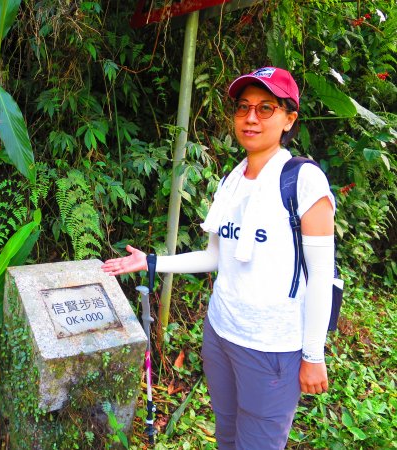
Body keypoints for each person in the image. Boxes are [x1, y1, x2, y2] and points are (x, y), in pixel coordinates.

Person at [102, 67, 335, 450]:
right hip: (221, 334)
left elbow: (321, 278)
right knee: (226, 435)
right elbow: (215, 256)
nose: (251, 118)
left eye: (266, 108)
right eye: (243, 108)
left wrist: (313, 355)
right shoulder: (232, 181)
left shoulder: (305, 181)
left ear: (289, 118)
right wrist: (152, 262)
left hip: (272, 347)